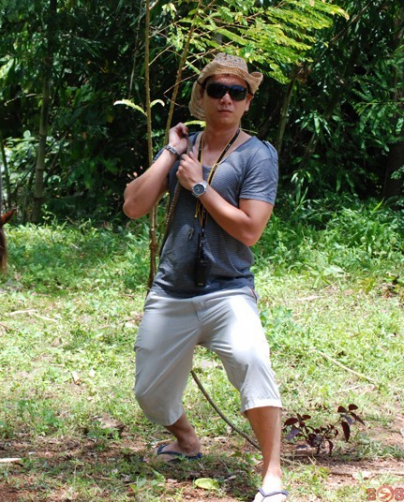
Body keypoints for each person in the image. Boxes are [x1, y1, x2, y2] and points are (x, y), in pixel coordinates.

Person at [122, 53, 286, 502]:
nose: (227, 99)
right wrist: (173, 152)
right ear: (203, 96)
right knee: (150, 395)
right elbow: (134, 206)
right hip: (172, 290)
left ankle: (272, 474)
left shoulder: (258, 155)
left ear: (249, 101)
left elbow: (250, 229)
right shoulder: (182, 147)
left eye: (238, 91)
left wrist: (198, 185)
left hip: (227, 290)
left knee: (253, 361)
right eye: (218, 90)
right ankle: (186, 440)